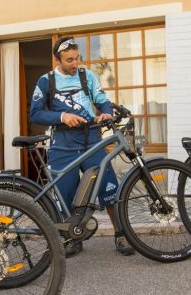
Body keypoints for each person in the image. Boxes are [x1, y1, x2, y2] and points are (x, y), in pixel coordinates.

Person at [29, 36, 134, 257]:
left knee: (108, 190)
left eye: (77, 58)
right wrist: (62, 116)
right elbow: (35, 114)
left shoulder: (88, 76)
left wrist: (105, 111)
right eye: (69, 60)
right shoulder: (46, 81)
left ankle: (120, 234)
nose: (75, 64)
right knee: (66, 196)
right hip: (62, 146)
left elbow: (101, 98)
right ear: (58, 59)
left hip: (92, 142)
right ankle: (73, 238)